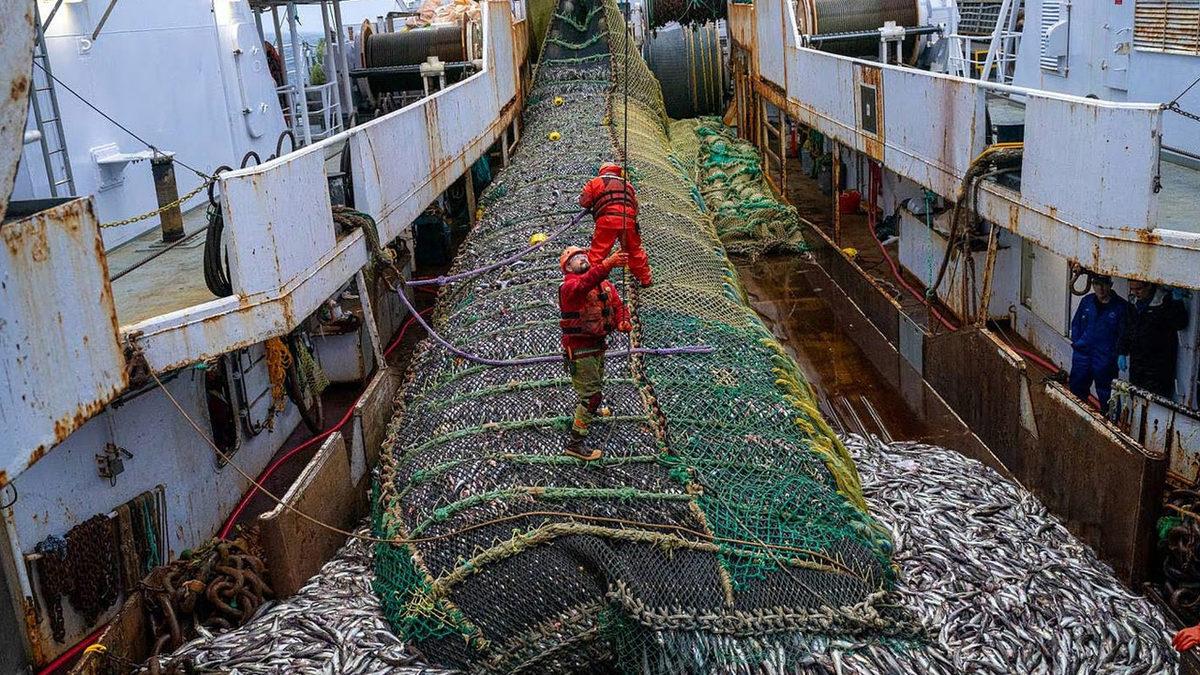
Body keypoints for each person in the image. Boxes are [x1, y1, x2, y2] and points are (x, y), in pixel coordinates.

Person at [559, 246, 631, 460]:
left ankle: (591, 410)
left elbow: (618, 305)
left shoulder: (605, 285)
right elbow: (584, 284)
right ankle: (575, 443)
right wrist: (608, 264)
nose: (581, 258)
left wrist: (622, 320)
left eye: (583, 255)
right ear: (567, 267)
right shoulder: (569, 287)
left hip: (598, 346)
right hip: (580, 350)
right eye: (574, 258)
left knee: (596, 385)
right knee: (592, 396)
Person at [579, 162, 653, 288]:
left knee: (598, 252)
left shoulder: (595, 182)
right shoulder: (628, 185)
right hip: (629, 221)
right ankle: (646, 280)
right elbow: (635, 208)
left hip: (607, 221)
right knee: (634, 250)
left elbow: (584, 201)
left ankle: (589, 281)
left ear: (602, 172)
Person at [1069, 275, 1129, 414]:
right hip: (1083, 354)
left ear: (1111, 284)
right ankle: (1075, 415)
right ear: (1092, 284)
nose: (1100, 288)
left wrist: (1120, 353)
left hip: (1105, 358)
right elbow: (1076, 323)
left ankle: (1111, 425)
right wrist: (1078, 342)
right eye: (1097, 284)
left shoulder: (1121, 307)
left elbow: (1124, 334)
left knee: (1108, 395)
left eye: (1104, 284)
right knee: (1077, 388)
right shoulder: (1087, 301)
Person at [1118, 280, 1189, 399]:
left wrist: (1177, 302)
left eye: (1139, 289)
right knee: (1136, 396)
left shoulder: (1164, 301)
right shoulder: (1133, 302)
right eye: (1132, 289)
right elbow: (1127, 328)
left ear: (1149, 285)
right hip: (1137, 362)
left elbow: (1180, 324)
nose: (1135, 293)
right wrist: (1122, 351)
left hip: (1158, 365)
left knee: (1157, 400)